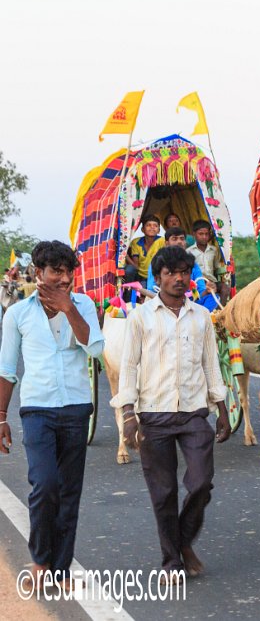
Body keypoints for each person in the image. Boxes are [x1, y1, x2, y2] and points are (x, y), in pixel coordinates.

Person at [112, 245, 231, 576]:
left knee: (201, 483)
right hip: (153, 414)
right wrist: (128, 416)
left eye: (184, 273)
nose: (178, 279)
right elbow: (129, 368)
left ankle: (183, 540)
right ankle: (172, 560)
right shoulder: (140, 318)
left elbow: (211, 364)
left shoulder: (201, 317)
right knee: (163, 493)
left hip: (194, 413)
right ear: (158, 277)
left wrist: (222, 409)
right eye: (170, 273)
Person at [0, 241, 104, 591]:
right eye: (56, 271)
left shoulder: (84, 305)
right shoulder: (18, 314)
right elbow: (7, 368)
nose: (64, 278)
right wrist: (1, 416)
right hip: (37, 409)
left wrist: (68, 308)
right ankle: (41, 558)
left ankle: (60, 569)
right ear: (38, 274)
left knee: (69, 491)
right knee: (45, 485)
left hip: (75, 408)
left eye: (68, 271)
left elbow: (94, 347)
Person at [137, 228, 212, 310]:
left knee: (212, 298)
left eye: (182, 239)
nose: (179, 242)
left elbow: (201, 291)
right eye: (174, 239)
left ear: (185, 243)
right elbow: (152, 290)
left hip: (191, 303)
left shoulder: (193, 264)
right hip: (164, 303)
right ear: (166, 243)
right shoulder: (159, 262)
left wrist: (208, 290)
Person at [187, 221, 228, 309]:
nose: (204, 237)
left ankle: (219, 312)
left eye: (206, 234)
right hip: (197, 283)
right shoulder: (189, 251)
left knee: (225, 288)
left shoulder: (214, 250)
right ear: (194, 234)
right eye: (200, 234)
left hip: (212, 281)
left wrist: (227, 271)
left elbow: (217, 268)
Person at [125, 215, 165, 284]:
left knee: (144, 288)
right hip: (139, 275)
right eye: (148, 225)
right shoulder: (136, 242)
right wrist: (126, 257)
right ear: (142, 229)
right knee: (129, 269)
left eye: (155, 226)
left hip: (155, 276)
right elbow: (136, 266)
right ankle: (128, 291)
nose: (152, 227)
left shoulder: (162, 241)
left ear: (158, 230)